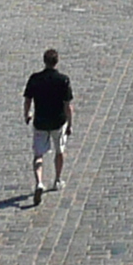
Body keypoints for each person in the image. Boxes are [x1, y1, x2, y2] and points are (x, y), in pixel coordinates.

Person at [23, 49, 77, 197]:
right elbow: (68, 105)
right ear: (56, 61)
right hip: (58, 122)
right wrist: (70, 124)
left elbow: (28, 99)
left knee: (38, 155)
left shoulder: (35, 79)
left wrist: (27, 114)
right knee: (59, 151)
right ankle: (57, 179)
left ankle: (39, 182)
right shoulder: (63, 80)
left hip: (40, 121)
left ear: (44, 61)